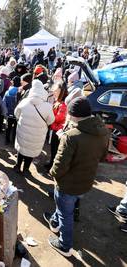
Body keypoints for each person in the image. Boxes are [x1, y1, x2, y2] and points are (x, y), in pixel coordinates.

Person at [43, 97, 108, 256]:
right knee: (67, 208)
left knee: (66, 214)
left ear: (73, 115)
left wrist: (53, 174)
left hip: (67, 184)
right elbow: (102, 156)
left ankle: (65, 245)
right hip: (86, 181)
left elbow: (59, 166)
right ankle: (55, 222)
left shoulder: (71, 136)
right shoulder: (103, 131)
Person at [14, 80, 55, 175]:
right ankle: (26, 169)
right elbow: (51, 121)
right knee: (31, 151)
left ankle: (17, 166)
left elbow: (16, 113)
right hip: (37, 135)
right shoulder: (48, 106)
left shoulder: (24, 102)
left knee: (22, 149)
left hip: (23, 131)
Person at [45, 82, 68, 169]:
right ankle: (51, 163)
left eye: (56, 91)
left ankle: (53, 166)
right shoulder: (58, 101)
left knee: (56, 149)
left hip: (59, 131)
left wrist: (48, 116)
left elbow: (58, 118)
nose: (53, 92)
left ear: (61, 91)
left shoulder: (63, 104)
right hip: (56, 129)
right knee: (53, 149)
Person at [3, 76, 20, 144]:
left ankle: (7, 140)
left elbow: (3, 103)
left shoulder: (7, 92)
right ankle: (13, 141)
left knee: (8, 127)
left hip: (9, 113)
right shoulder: (20, 92)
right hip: (17, 114)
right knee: (15, 128)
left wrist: (5, 112)